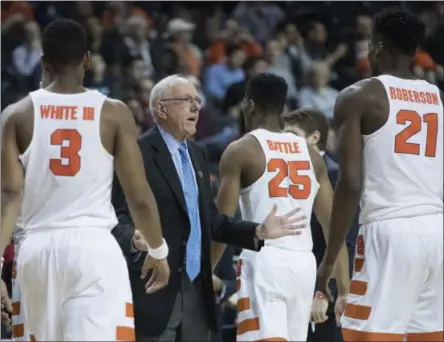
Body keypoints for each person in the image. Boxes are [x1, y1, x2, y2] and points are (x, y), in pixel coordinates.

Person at [0, 19, 171, 341]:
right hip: (93, 248)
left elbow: (9, 195)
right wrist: (157, 250)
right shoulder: (114, 112)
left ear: (43, 62)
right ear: (87, 60)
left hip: (35, 249)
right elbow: (138, 195)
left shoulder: (16, 114)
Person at [111, 74, 305, 342]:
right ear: (161, 108)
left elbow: (210, 220)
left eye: (197, 100)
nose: (195, 107)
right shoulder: (137, 152)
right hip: (154, 287)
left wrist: (257, 231)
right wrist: (134, 237)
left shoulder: (198, 154)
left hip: (196, 294)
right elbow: (116, 216)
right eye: (185, 100)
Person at [316, 7, 443, 342]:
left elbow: (351, 183)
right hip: (436, 230)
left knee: (367, 336)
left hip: (390, 231)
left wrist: (330, 259)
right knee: (427, 336)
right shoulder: (437, 98)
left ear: (378, 47)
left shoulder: (359, 96)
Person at [213, 73, 350, 341]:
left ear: (249, 105)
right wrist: (343, 288)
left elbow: (222, 224)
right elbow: (334, 228)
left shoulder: (242, 150)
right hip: (303, 265)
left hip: (264, 260)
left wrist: (206, 273)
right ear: (283, 108)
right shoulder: (311, 155)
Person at [283, 108, 360, 342]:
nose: (285, 143)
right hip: (293, 282)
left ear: (315, 138)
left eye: (292, 136)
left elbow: (344, 241)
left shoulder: (335, 176)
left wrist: (323, 291)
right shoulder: (287, 173)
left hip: (322, 290)